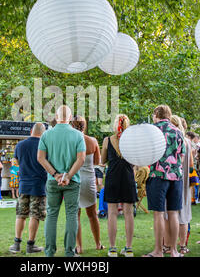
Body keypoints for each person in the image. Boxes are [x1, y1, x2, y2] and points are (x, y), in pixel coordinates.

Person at [37, 105, 86, 257]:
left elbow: (40, 158)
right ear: (70, 118)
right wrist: (68, 176)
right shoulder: (78, 135)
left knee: (51, 214)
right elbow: (81, 159)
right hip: (72, 181)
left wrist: (56, 174)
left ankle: (49, 252)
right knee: (71, 215)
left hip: (53, 181)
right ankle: (69, 252)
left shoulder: (46, 135)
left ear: (56, 117)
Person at [143, 106, 185, 258]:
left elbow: (145, 154)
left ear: (156, 115)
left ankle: (158, 251)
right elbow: (182, 157)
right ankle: (174, 251)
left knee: (158, 214)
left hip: (158, 175)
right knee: (173, 213)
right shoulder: (178, 131)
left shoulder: (151, 131)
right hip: (176, 177)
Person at [102, 114, 138, 257]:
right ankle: (128, 248)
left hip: (112, 177)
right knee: (129, 213)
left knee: (112, 213)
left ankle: (112, 248)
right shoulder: (132, 141)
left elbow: (103, 159)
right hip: (128, 177)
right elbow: (135, 160)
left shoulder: (107, 140)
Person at [9, 123, 47, 254]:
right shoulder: (44, 145)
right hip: (39, 184)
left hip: (23, 184)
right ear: (43, 133)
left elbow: (15, 164)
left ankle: (16, 244)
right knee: (34, 215)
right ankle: (30, 245)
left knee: (21, 215)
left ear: (31, 131)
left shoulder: (20, 145)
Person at [71, 116, 104, 254]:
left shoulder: (69, 142)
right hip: (89, 180)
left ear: (71, 126)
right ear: (84, 126)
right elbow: (97, 162)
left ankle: (79, 246)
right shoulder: (93, 141)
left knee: (75, 215)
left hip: (74, 179)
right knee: (92, 215)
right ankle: (98, 243)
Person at [163, 115, 193, 255]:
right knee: (183, 214)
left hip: (174, 179)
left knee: (170, 213)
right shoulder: (186, 141)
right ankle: (182, 246)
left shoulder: (171, 139)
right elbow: (191, 164)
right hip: (185, 180)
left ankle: (168, 245)